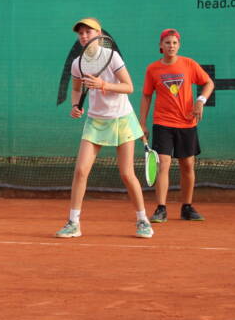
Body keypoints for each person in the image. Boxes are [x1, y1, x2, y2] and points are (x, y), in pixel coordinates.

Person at [56, 17, 153, 239]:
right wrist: (75, 106)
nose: (83, 36)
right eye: (80, 33)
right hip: (95, 121)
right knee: (80, 171)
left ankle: (142, 220)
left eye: (88, 32)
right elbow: (76, 90)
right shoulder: (77, 64)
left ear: (99, 35)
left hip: (121, 119)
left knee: (127, 173)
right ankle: (73, 223)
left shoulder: (112, 57)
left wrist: (103, 85)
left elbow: (129, 87)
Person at [138, 28, 215, 224]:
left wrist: (200, 101)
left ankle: (186, 207)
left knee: (187, 165)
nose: (171, 46)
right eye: (167, 43)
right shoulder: (153, 69)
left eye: (174, 43)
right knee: (163, 164)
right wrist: (142, 123)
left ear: (178, 45)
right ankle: (161, 208)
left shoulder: (189, 64)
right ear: (160, 46)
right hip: (162, 123)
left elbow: (208, 83)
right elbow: (147, 95)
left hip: (187, 122)